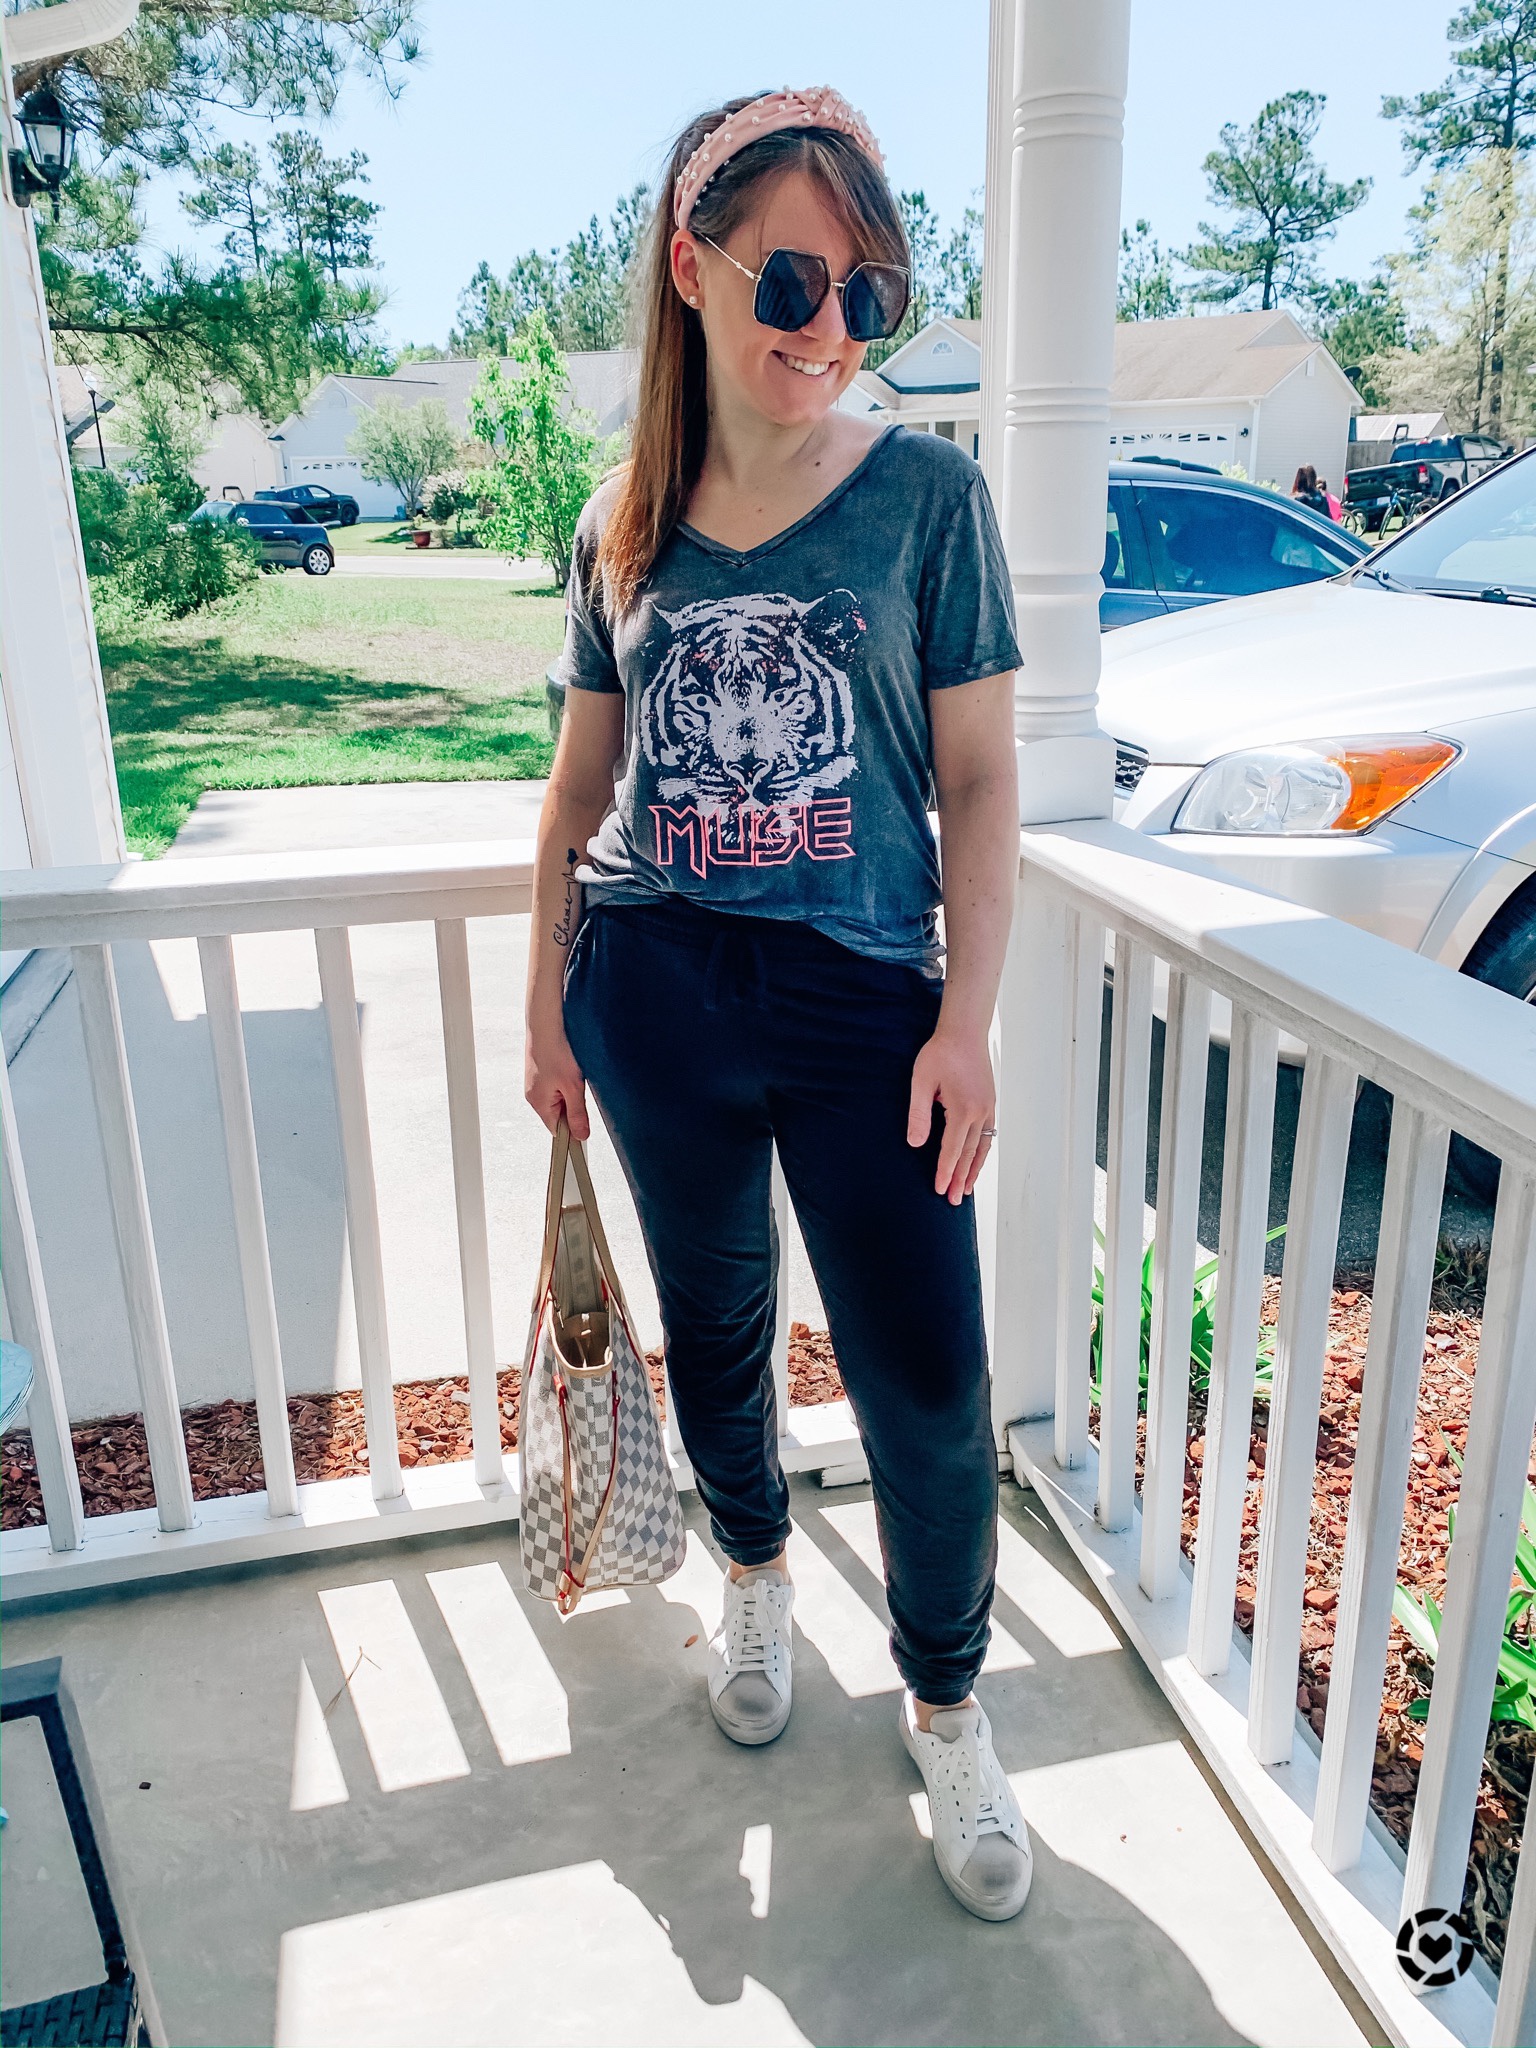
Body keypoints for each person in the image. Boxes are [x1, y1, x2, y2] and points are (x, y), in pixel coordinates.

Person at [525, 87, 1032, 1922]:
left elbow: (979, 780)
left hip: (866, 1000)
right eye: (796, 281)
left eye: (867, 294)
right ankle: (754, 1575)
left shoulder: (928, 499)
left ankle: (948, 1699)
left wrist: (966, 1021)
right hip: (656, 986)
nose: (830, 329)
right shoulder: (622, 523)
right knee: (716, 1325)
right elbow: (576, 799)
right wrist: (542, 1011)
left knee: (927, 1378)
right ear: (696, 267)